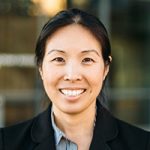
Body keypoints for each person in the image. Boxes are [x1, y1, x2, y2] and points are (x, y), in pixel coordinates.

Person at [0, 8, 150, 150]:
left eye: (87, 60)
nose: (72, 76)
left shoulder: (142, 144)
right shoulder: (6, 143)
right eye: (59, 59)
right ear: (41, 67)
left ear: (106, 68)